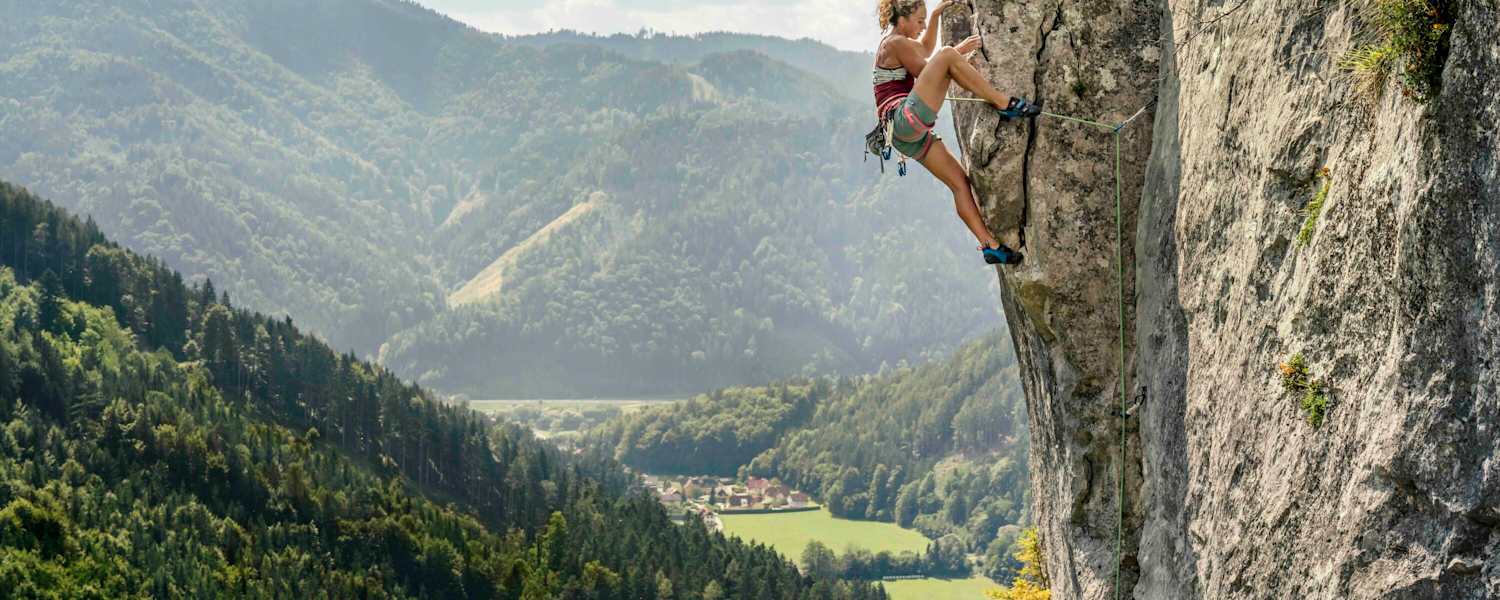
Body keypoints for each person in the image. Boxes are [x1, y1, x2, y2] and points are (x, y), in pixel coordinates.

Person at [873, 0, 1039, 265]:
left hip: (903, 135)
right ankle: (1003, 103)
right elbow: (927, 69)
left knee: (960, 183)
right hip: (904, 118)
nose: (923, 26)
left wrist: (937, 14)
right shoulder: (895, 43)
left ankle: (990, 245)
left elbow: (926, 48)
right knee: (948, 55)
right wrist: (957, 53)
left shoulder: (898, 43)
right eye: (920, 21)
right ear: (902, 18)